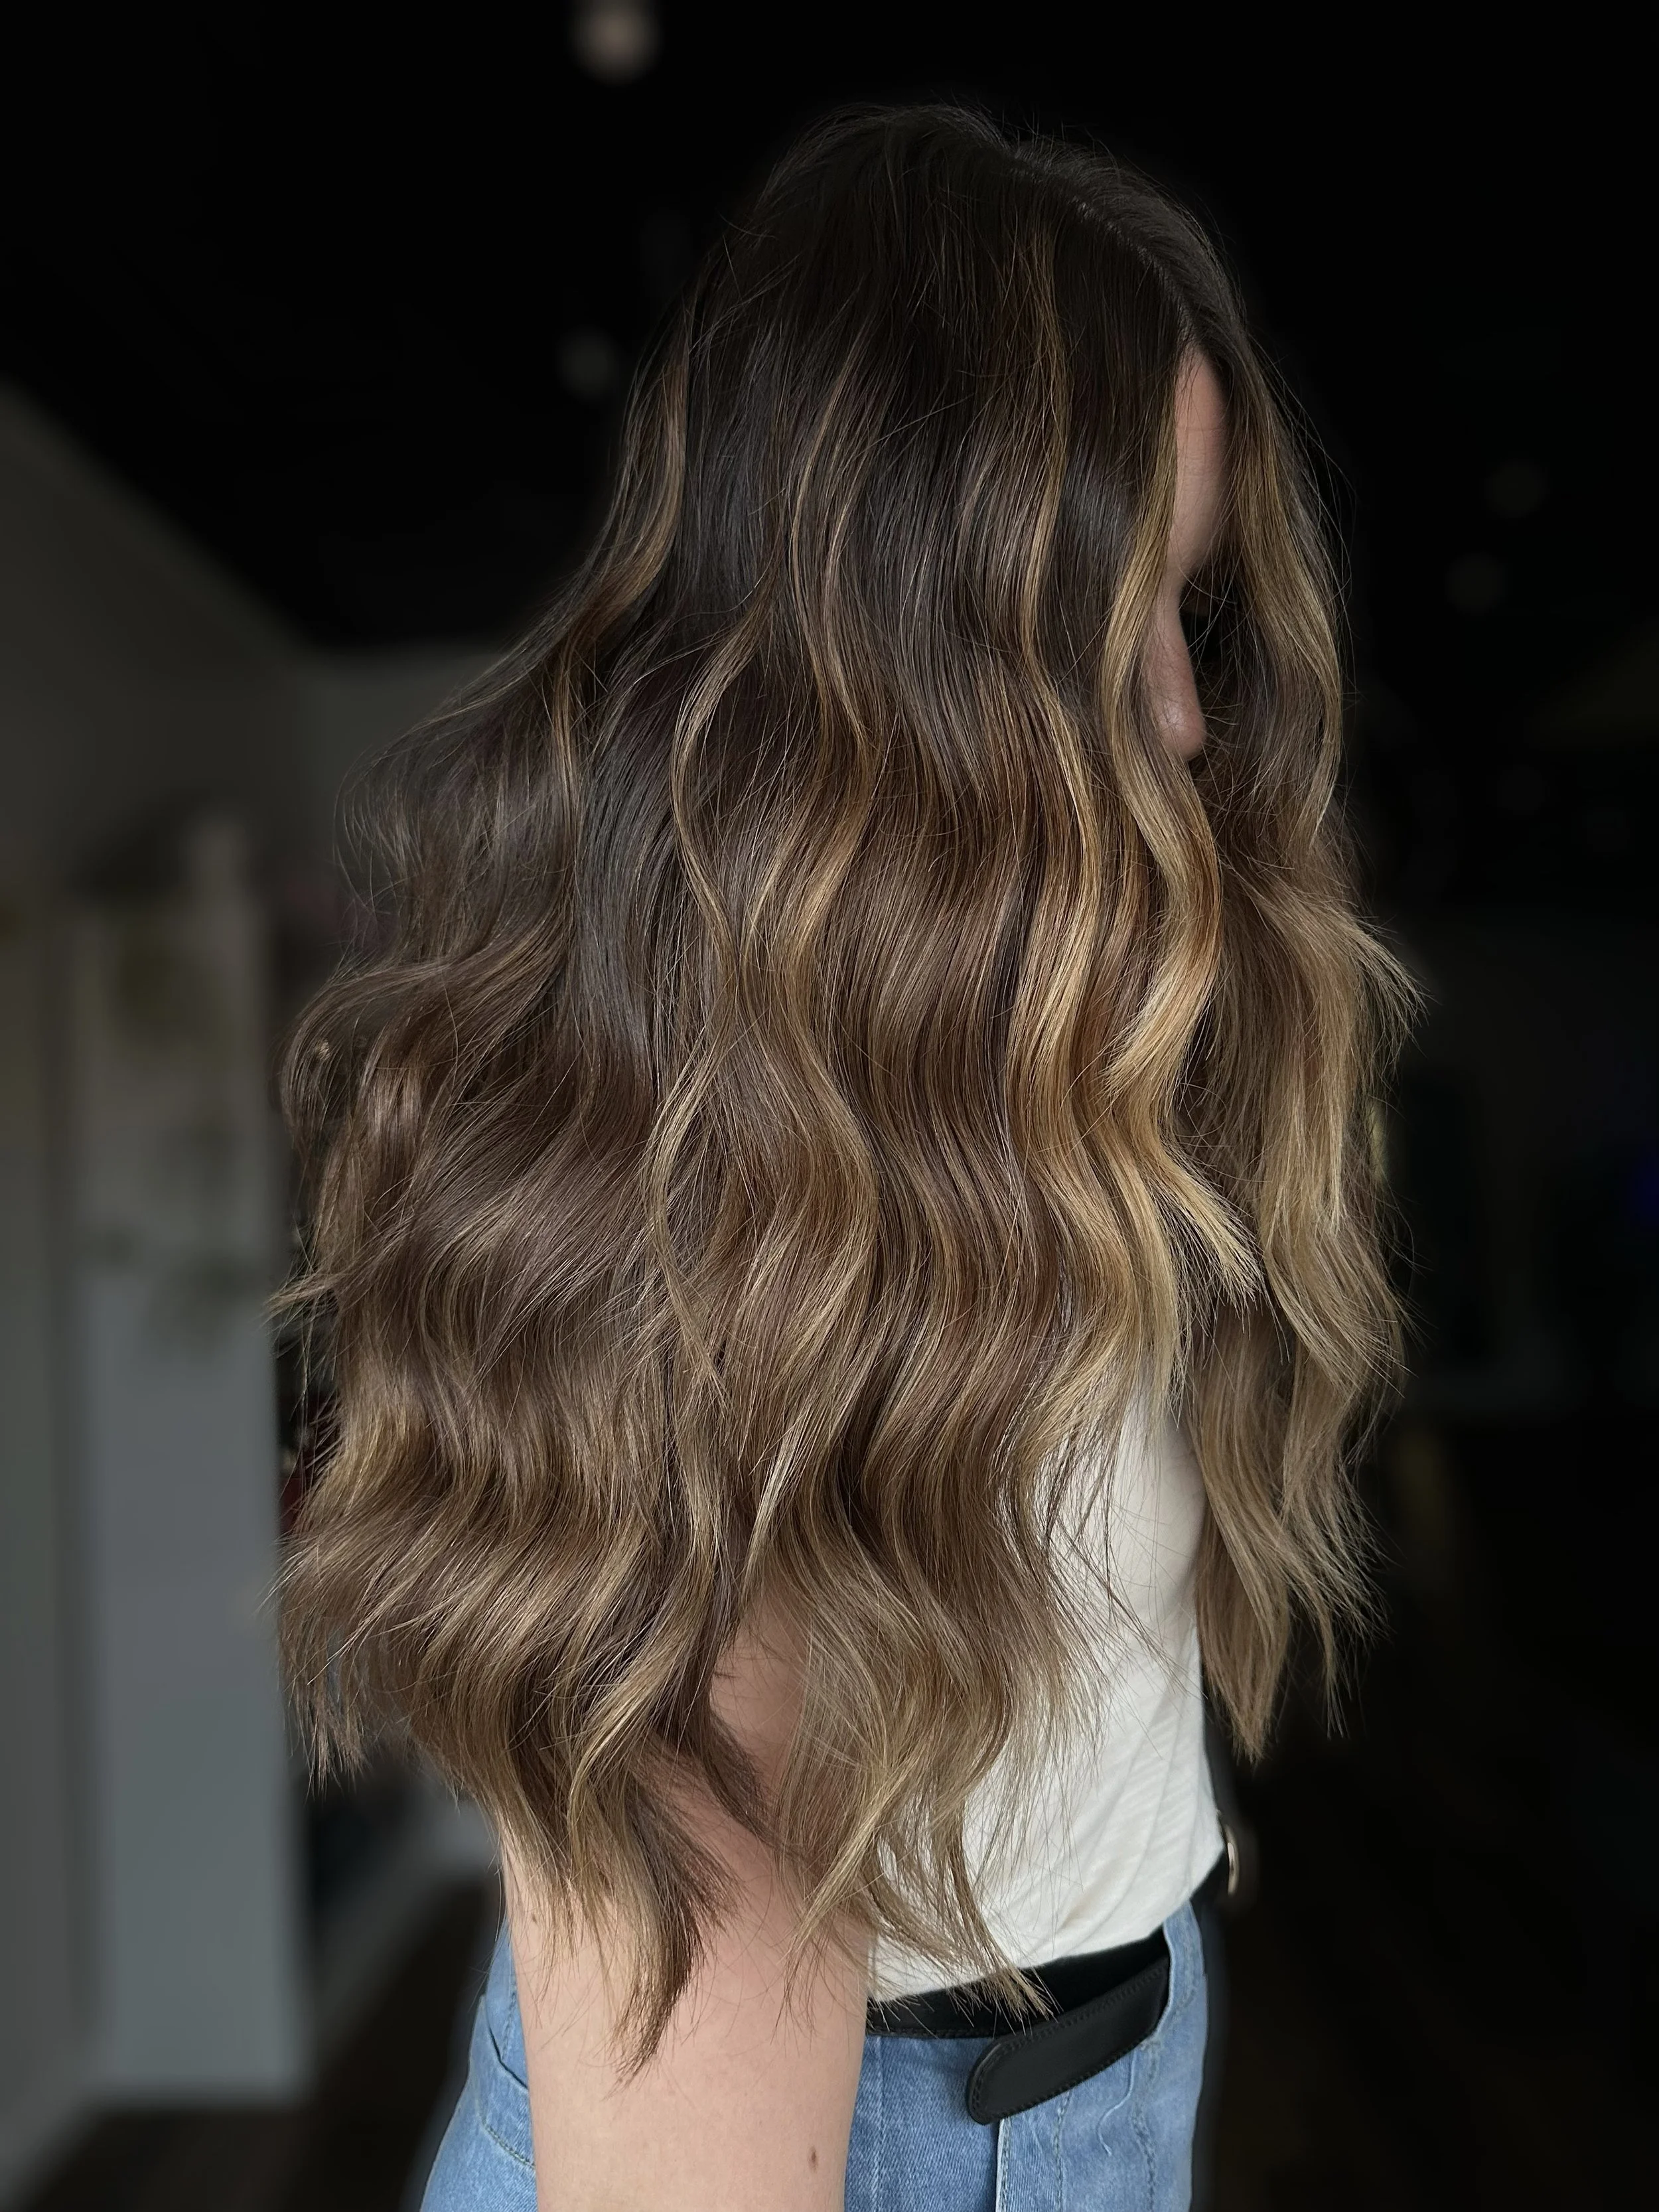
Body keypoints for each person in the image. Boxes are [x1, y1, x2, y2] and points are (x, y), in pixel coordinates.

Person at [277, 100, 1413, 2212]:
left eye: (1189, 608)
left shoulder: (1022, 1050)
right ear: (901, 631)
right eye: (1109, 614)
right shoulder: (709, 1139)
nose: (1185, 711)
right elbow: (693, 1946)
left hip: (1079, 2072)